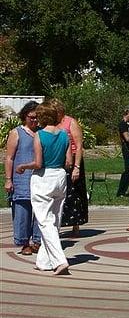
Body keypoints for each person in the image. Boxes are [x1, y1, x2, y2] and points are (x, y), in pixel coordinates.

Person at [16, 102, 72, 275]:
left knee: (45, 221)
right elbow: (69, 162)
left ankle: (59, 260)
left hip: (43, 178)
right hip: (60, 177)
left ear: (42, 117)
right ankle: (43, 261)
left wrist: (23, 166)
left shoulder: (39, 135)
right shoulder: (64, 135)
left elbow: (38, 163)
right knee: (55, 219)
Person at [4, 101, 42, 255]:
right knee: (22, 211)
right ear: (24, 116)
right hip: (21, 178)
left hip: (39, 178)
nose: (34, 120)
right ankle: (24, 242)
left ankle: (38, 241)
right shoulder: (16, 133)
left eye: (37, 118)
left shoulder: (41, 132)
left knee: (40, 210)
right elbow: (9, 158)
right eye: (31, 117)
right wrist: (8, 179)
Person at [49, 99, 88, 237]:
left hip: (72, 161)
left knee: (74, 193)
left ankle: (75, 224)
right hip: (57, 161)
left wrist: (76, 166)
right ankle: (58, 224)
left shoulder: (71, 122)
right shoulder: (51, 123)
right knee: (58, 193)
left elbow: (78, 146)